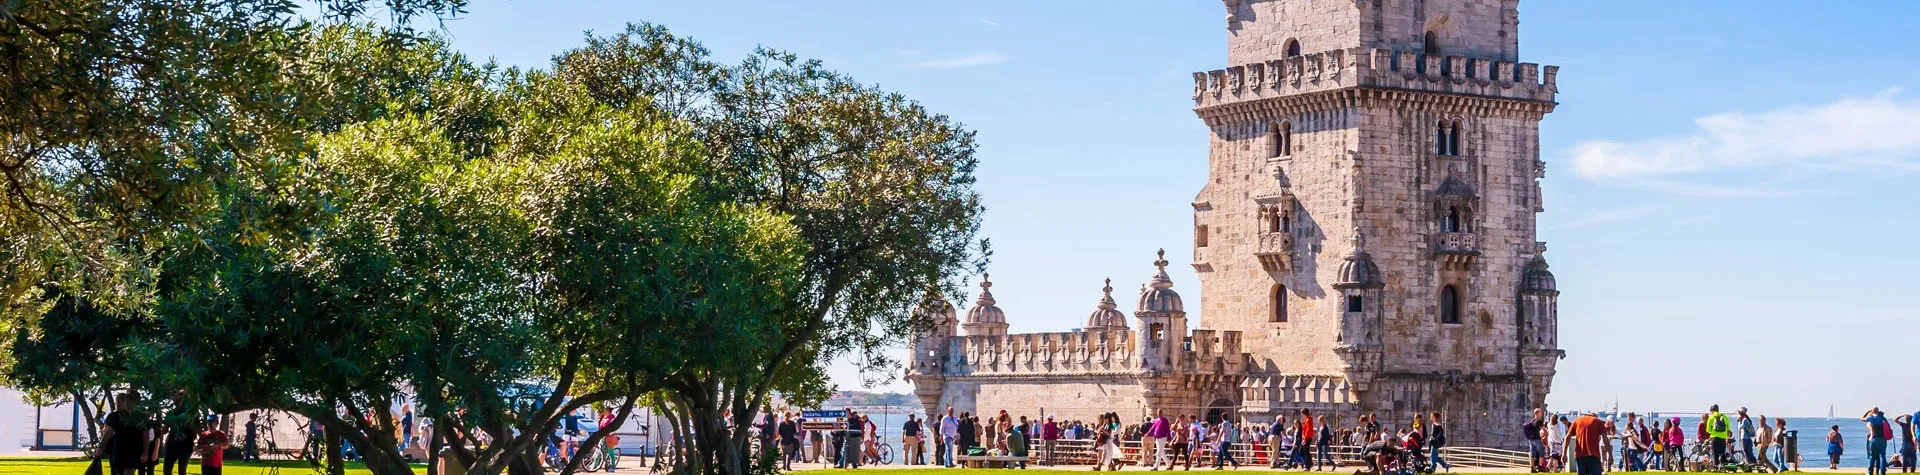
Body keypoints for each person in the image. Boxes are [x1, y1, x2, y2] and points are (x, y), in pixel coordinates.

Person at [102, 393, 146, 475]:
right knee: (118, 472)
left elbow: (145, 434)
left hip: (134, 449)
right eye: (117, 403)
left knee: (130, 471)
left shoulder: (140, 417)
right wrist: (101, 447)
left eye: (119, 403)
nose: (118, 405)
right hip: (118, 449)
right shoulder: (114, 416)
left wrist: (145, 451)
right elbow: (108, 432)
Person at [1869, 408, 1894, 475]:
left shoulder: (1872, 418)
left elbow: (1862, 418)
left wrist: (1868, 411)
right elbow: (1888, 425)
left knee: (1872, 456)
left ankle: (1870, 471)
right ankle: (1883, 471)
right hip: (1883, 439)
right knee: (1882, 456)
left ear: (1873, 411)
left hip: (1875, 439)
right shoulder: (1882, 418)